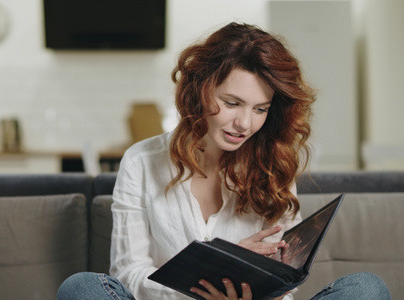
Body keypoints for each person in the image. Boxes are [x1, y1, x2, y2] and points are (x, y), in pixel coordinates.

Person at [57, 22, 391, 300]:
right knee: (82, 287)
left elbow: (285, 282)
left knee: (366, 288)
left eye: (260, 109)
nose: (245, 124)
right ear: (199, 90)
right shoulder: (142, 161)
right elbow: (129, 274)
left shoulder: (273, 163)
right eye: (232, 103)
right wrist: (209, 279)